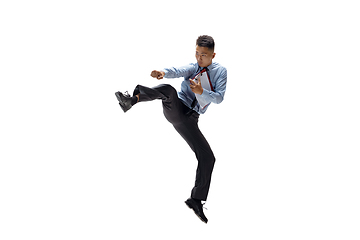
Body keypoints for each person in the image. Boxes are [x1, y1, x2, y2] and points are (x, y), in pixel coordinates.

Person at [115, 35, 227, 223]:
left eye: (204, 55)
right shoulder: (193, 67)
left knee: (208, 157)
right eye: (197, 53)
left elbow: (219, 97)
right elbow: (178, 70)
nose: (199, 58)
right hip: (176, 109)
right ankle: (131, 100)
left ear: (213, 55)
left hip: (191, 119)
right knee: (168, 90)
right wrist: (162, 71)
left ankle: (196, 199)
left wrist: (202, 92)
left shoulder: (221, 72)